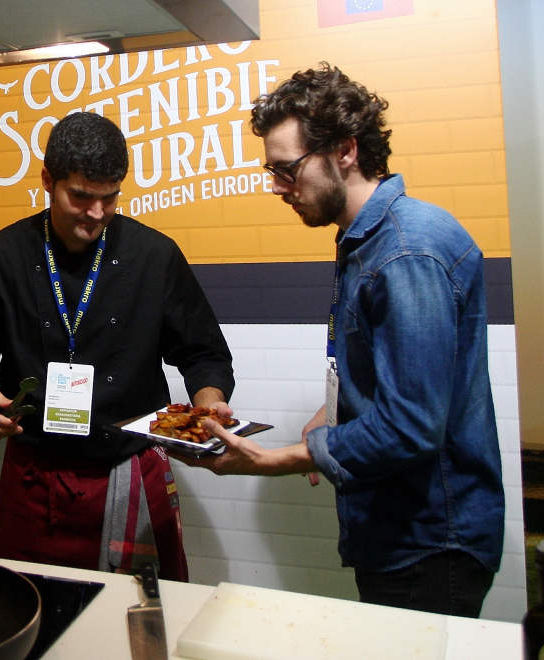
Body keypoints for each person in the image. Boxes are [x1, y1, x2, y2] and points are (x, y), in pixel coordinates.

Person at [182, 62, 504, 617]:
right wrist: (331, 413)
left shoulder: (406, 252)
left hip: (428, 542)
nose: (280, 188)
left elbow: (412, 425)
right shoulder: (367, 241)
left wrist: (276, 458)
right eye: (272, 171)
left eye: (288, 170)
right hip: (393, 531)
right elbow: (399, 376)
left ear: (346, 150)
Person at [0, 110, 235, 582]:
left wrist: (209, 405)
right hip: (33, 478)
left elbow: (204, 354)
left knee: (141, 629)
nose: (96, 213)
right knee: (31, 619)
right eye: (80, 196)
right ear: (47, 181)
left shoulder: (154, 255)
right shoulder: (1, 255)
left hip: (130, 469)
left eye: (109, 198)